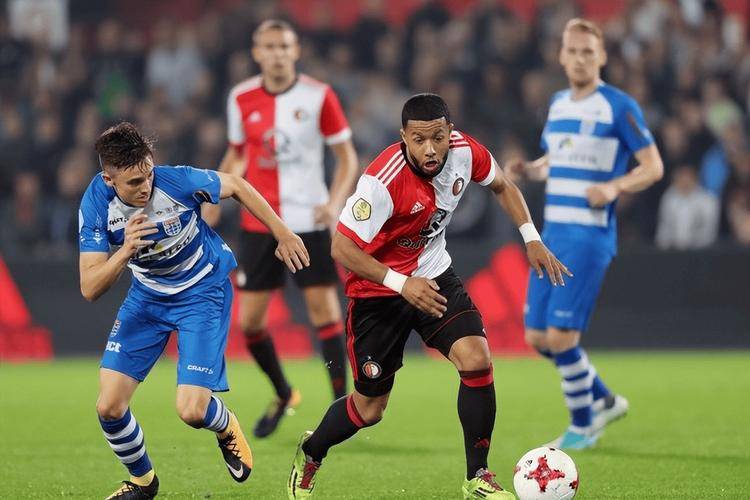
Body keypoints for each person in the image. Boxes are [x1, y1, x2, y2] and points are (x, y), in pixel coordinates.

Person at [287, 93, 570, 500]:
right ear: (403, 136)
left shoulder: (465, 152)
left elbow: (503, 185)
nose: (430, 149)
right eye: (419, 139)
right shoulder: (381, 182)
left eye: (437, 137)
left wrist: (531, 238)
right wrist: (402, 284)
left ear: (449, 131)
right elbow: (342, 249)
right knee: (369, 409)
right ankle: (312, 451)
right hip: (377, 294)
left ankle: (477, 476)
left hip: (434, 275)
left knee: (476, 359)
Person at [79, 122, 309, 499]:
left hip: (202, 292)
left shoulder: (178, 181)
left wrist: (282, 233)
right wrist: (125, 251)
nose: (146, 186)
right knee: (109, 407)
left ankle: (225, 425)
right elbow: (90, 287)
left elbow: (237, 185)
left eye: (148, 174)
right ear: (109, 180)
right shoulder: (95, 204)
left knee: (191, 411)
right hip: (147, 298)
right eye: (134, 182)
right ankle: (143, 483)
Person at [509, 18, 664, 449]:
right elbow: (557, 158)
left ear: (602, 57)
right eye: (573, 51)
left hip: (588, 235)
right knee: (538, 337)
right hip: (550, 235)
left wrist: (614, 187)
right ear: (561, 56)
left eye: (588, 52)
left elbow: (653, 166)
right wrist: (532, 169)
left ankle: (583, 425)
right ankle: (605, 399)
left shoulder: (618, 106)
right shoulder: (558, 103)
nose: (579, 59)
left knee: (562, 338)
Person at [204, 19, 359, 438]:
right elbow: (238, 154)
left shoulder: (319, 95)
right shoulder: (241, 97)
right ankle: (284, 393)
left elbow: (347, 157)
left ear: (296, 51)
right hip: (259, 224)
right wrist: (213, 195)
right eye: (269, 47)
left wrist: (334, 202)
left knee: (325, 313)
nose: (277, 54)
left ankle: (341, 408)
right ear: (257, 53)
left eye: (284, 46)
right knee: (250, 324)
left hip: (308, 222)